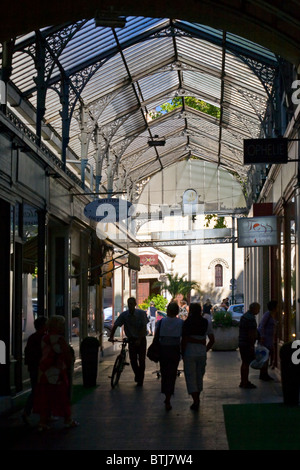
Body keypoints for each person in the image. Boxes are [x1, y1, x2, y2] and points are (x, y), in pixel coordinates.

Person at [33, 315, 78, 431]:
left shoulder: (45, 338)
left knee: (45, 396)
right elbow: (66, 354)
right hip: (57, 372)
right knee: (62, 396)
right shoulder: (59, 339)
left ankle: (43, 421)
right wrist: (69, 365)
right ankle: (67, 419)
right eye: (62, 324)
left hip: (43, 371)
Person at [181, 303, 215, 410]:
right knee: (199, 376)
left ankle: (195, 400)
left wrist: (182, 353)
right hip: (201, 353)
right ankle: (197, 397)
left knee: (191, 377)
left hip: (189, 353)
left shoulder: (187, 323)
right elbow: (212, 340)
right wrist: (205, 349)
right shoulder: (206, 322)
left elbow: (184, 340)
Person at [109, 297, 148, 386]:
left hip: (141, 339)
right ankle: (138, 375)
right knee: (133, 360)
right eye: (129, 303)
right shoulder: (124, 315)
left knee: (142, 360)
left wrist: (139, 339)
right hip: (131, 340)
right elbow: (116, 324)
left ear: (135, 304)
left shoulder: (141, 314)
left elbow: (144, 328)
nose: (130, 305)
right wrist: (111, 336)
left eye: (132, 304)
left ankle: (140, 378)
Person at [157, 301, 184, 411]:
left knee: (164, 373)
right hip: (174, 350)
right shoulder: (180, 323)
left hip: (163, 349)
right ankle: (168, 397)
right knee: (172, 374)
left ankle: (166, 396)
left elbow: (157, 336)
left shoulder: (162, 322)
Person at [22, 316, 48, 425]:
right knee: (38, 390)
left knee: (37, 390)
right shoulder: (43, 338)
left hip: (34, 367)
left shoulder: (33, 337)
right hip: (40, 367)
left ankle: (41, 414)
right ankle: (28, 412)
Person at [238, 302, 260, 389]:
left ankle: (243, 381)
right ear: (254, 309)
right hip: (246, 343)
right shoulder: (250, 318)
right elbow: (251, 333)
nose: (258, 311)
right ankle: (245, 382)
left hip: (242, 342)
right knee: (246, 363)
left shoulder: (245, 316)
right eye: (258, 309)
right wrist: (251, 345)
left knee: (244, 362)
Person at [257, 300, 278, 381]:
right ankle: (263, 374)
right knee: (265, 356)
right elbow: (261, 325)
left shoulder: (273, 315)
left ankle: (264, 373)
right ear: (274, 307)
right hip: (265, 339)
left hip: (270, 339)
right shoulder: (268, 314)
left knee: (267, 356)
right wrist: (262, 336)